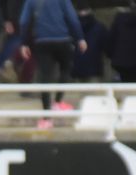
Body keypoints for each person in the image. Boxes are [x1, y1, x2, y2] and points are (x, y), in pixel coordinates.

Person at [19, 0, 87, 129]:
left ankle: (46, 118)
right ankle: (58, 101)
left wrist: (24, 43)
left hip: (42, 41)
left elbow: (24, 21)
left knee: (45, 77)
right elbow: (72, 18)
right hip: (62, 40)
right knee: (66, 69)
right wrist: (80, 37)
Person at [106, 0, 136, 83]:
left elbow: (110, 41)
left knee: (123, 90)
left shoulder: (119, 20)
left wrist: (112, 56)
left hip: (121, 64)